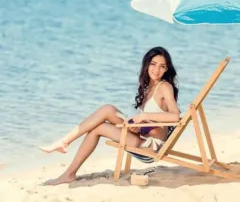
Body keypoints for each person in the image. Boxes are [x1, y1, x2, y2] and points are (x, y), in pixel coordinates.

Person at [39, 46, 180, 185]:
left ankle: (68, 167)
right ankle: (65, 143)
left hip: (149, 147)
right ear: (146, 65)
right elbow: (153, 121)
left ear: (166, 69)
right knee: (107, 109)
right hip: (143, 135)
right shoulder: (149, 87)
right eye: (153, 64)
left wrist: (143, 117)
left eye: (162, 66)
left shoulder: (164, 87)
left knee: (97, 128)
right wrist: (137, 125)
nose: (156, 70)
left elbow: (175, 117)